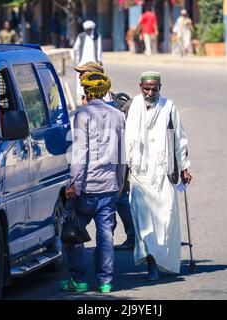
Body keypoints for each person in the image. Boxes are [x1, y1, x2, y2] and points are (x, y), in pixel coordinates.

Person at [61, 71, 125, 293]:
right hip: (109, 187)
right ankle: (105, 281)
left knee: (75, 232)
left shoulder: (83, 114)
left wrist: (73, 185)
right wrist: (120, 183)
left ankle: (79, 281)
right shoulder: (118, 115)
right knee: (106, 235)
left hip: (87, 187)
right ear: (106, 91)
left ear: (87, 92)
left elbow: (79, 153)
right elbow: (122, 154)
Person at [125, 71, 192, 281]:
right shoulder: (133, 106)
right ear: (140, 86)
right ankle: (151, 263)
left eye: (154, 88)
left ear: (160, 88)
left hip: (163, 171)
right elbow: (123, 140)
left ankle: (162, 259)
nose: (150, 92)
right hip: (139, 173)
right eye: (147, 88)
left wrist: (184, 168)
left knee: (166, 216)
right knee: (143, 220)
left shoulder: (169, 107)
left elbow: (179, 139)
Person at [73, 61, 136, 250]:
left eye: (82, 73)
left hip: (108, 168)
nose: (79, 76)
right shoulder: (86, 100)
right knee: (114, 207)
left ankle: (131, 237)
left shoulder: (111, 103)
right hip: (99, 170)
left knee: (121, 201)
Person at [73, 20, 102, 105]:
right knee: (81, 81)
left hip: (93, 64)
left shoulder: (97, 36)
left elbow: (99, 50)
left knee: (93, 81)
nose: (88, 31)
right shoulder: (81, 36)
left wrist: (99, 61)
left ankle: (93, 98)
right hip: (82, 63)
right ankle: (81, 100)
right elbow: (75, 49)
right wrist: (77, 60)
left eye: (90, 29)